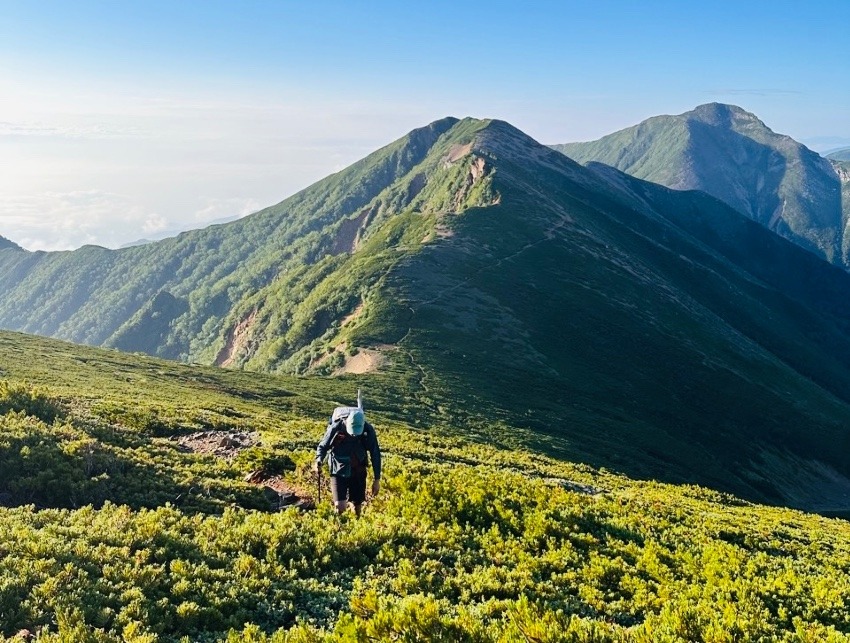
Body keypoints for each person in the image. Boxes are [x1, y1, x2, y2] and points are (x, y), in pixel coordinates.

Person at [313, 408, 381, 516]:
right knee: (340, 507)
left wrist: (377, 479)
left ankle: (355, 528)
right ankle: (339, 528)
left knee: (357, 506)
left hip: (358, 470)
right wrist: (319, 460)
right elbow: (323, 446)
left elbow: (375, 453)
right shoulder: (336, 427)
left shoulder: (368, 430)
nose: (354, 435)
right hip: (338, 469)